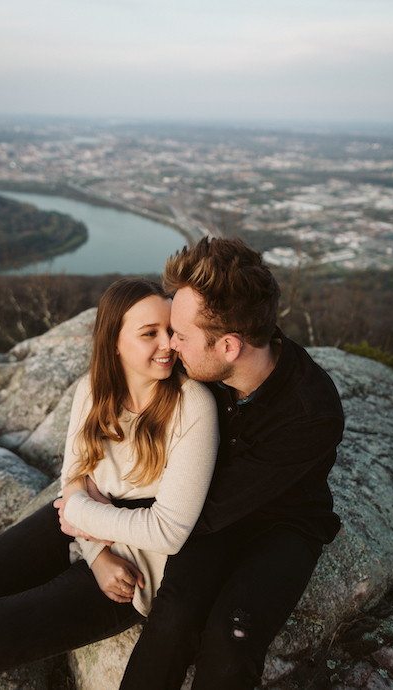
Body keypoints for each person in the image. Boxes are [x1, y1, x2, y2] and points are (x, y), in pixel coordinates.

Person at [0, 278, 218, 678]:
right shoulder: (93, 388)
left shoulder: (192, 403)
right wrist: (94, 554)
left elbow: (169, 532)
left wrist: (83, 518)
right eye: (150, 334)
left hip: (135, 566)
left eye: (171, 332)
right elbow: (74, 477)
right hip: (83, 528)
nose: (168, 345)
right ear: (114, 342)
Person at [118, 237, 344, 689]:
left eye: (181, 336)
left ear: (229, 347)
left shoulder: (310, 411)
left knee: (231, 638)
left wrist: (101, 518)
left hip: (283, 524)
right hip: (207, 511)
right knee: (173, 617)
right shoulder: (199, 365)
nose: (170, 345)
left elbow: (201, 513)